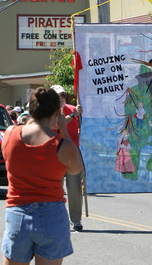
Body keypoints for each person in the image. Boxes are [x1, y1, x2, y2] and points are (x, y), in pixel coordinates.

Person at [1, 87, 83, 264]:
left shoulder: (10, 134)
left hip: (18, 212)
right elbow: (76, 169)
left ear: (31, 109)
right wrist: (63, 128)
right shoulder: (63, 145)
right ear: (57, 112)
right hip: (52, 215)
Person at [50, 84, 84, 232]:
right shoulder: (49, 112)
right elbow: (56, 125)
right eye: (57, 96)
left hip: (73, 152)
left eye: (63, 95)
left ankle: (76, 220)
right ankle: (56, 219)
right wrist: (73, 116)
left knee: (75, 186)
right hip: (55, 150)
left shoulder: (73, 108)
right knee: (55, 186)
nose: (61, 98)